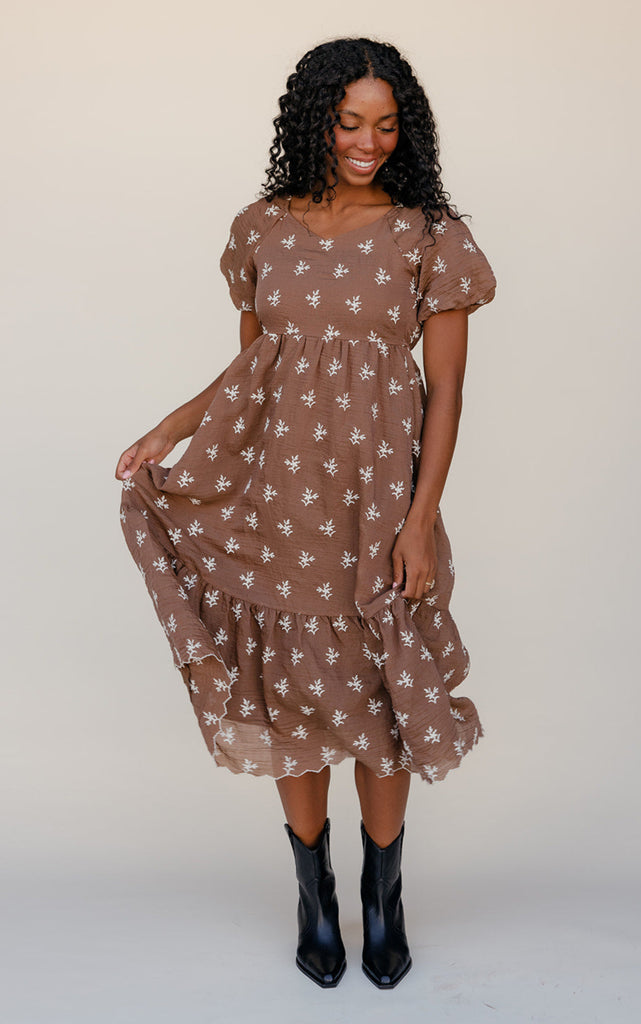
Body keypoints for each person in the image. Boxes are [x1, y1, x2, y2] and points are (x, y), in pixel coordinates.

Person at [116, 36, 496, 990]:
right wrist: (171, 427)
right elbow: (255, 368)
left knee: (379, 700)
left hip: (379, 506)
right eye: (349, 121)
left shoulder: (429, 235)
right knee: (290, 697)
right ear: (314, 120)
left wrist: (419, 522)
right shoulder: (261, 229)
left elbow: (446, 394)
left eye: (386, 125)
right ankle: (313, 896)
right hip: (280, 499)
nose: (368, 142)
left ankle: (383, 897)